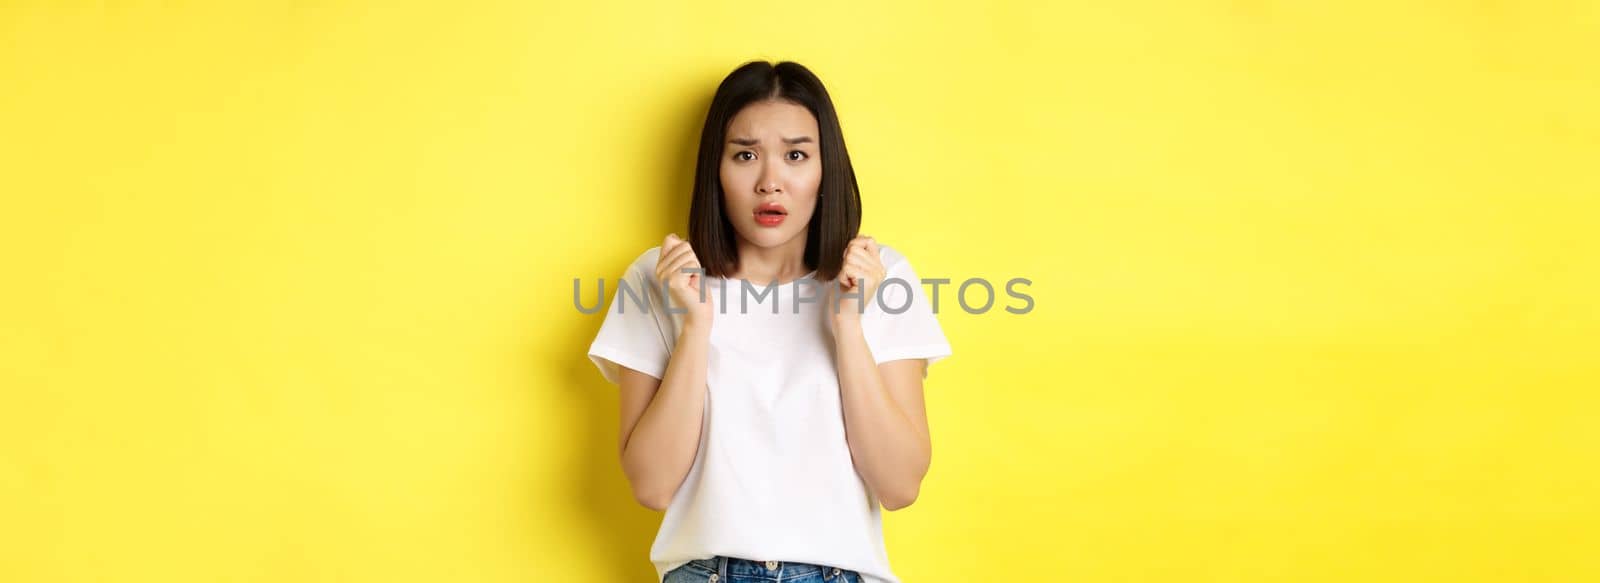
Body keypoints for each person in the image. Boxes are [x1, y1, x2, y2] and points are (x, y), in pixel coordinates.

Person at [587, 60, 951, 583]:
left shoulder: (880, 275)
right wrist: (696, 328)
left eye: (796, 155)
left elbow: (899, 486)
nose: (770, 182)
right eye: (746, 155)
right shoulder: (660, 278)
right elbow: (651, 486)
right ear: (717, 168)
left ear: (826, 170)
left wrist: (848, 326)